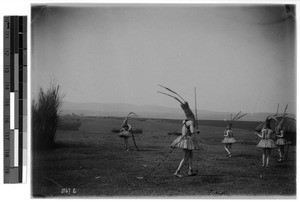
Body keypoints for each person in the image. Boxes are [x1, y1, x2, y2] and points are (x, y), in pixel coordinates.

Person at [171, 102, 200, 178]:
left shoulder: (184, 121)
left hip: (184, 139)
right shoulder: (190, 122)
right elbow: (192, 131)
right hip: (187, 140)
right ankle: (177, 171)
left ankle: (190, 170)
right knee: (186, 157)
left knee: (190, 155)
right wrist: (197, 130)